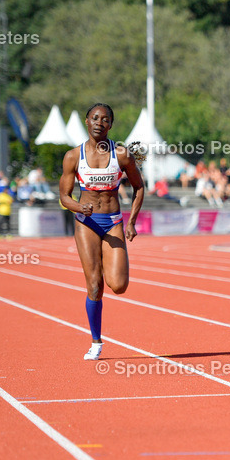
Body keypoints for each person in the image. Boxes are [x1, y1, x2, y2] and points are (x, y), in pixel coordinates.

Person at [59, 103, 146, 361]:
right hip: (86, 223)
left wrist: (131, 222)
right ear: (87, 121)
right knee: (95, 285)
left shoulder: (122, 155)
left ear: (111, 125)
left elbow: (139, 187)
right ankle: (96, 341)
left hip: (113, 222)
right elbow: (64, 196)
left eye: (105, 119)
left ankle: (109, 265)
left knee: (118, 286)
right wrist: (79, 206)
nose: (99, 122)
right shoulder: (73, 157)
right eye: (95, 118)